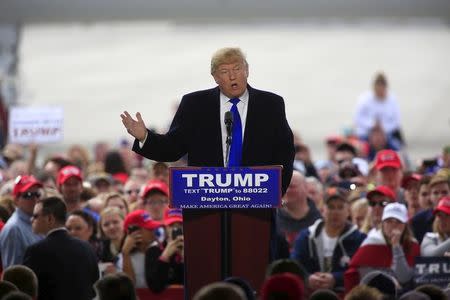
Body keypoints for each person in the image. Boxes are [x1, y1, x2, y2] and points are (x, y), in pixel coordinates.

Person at [120, 47, 294, 194]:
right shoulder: (194, 104)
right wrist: (145, 137)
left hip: (257, 203)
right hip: (207, 204)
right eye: (225, 72)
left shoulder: (271, 104)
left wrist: (277, 192)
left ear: (247, 70)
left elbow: (285, 153)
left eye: (237, 69)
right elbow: (172, 149)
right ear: (215, 77)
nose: (232, 76)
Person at [23, 196, 99, 300]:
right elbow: (94, 287)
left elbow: (27, 291)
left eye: (36, 216)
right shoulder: (87, 247)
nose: (31, 219)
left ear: (50, 218)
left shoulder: (35, 251)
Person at [291, 189, 366, 293]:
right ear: (322, 210)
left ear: (348, 211)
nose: (335, 212)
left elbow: (361, 270)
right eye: (331, 207)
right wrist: (308, 278)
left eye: (340, 207)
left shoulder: (359, 239)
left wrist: (335, 278)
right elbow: (295, 265)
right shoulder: (306, 236)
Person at [345, 203, 420, 293]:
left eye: (398, 222)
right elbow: (365, 277)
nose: (393, 225)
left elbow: (404, 278)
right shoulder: (371, 243)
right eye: (389, 221)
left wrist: (396, 246)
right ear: (383, 223)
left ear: (405, 225)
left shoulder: (412, 245)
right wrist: (389, 281)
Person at [0, 175, 43, 268]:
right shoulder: (14, 229)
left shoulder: (38, 221)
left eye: (37, 194)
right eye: (28, 195)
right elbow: (12, 272)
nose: (35, 199)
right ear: (16, 200)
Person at [117, 209, 163, 288]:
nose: (153, 231)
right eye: (149, 229)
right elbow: (129, 286)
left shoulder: (158, 249)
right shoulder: (123, 258)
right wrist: (125, 254)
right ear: (133, 232)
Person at [353, 72, 402, 143]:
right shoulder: (364, 99)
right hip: (366, 132)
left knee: (396, 145)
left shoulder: (392, 99)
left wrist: (383, 128)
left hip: (387, 133)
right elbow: (357, 118)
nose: (380, 92)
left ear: (385, 88)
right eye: (378, 89)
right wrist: (372, 124)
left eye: (382, 89)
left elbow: (396, 121)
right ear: (374, 88)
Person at [276, 171, 321, 249]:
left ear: (306, 188)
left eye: (291, 186)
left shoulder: (319, 219)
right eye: (283, 186)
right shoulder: (274, 219)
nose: (286, 190)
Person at [145, 208, 184, 292]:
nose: (176, 229)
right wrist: (165, 256)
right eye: (171, 225)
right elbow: (155, 287)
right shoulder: (153, 251)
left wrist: (185, 258)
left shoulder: (195, 250)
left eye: (180, 225)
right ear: (165, 228)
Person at [411, 174, 450, 243]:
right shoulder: (418, 221)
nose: (440, 196)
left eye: (444, 192)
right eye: (436, 193)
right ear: (430, 196)